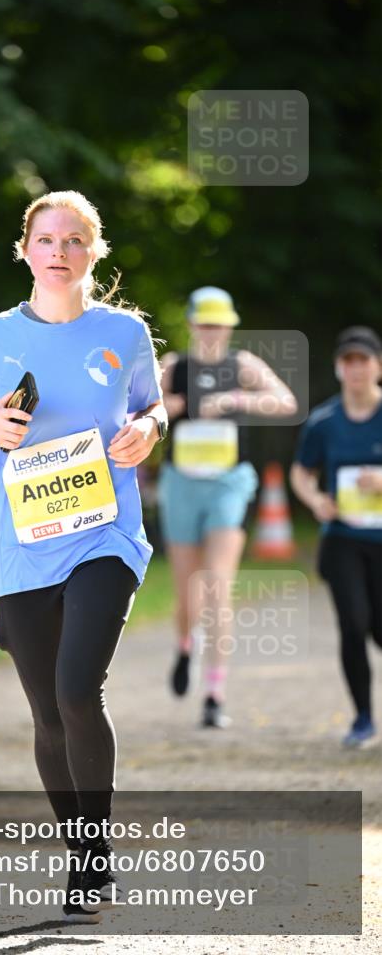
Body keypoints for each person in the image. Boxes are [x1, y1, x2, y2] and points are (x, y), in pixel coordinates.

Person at [0, 190, 167, 921]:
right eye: (46, 239)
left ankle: (92, 862)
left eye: (74, 240)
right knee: (47, 714)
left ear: (94, 252)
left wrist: (149, 429)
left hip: (105, 531)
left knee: (78, 692)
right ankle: (80, 847)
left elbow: (150, 406)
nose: (60, 252)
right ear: (24, 250)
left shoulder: (125, 332)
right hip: (25, 542)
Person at [158, 287, 297, 728]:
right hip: (182, 484)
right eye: (205, 324)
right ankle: (185, 646)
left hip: (228, 483)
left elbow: (286, 401)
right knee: (188, 593)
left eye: (219, 325)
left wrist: (237, 399)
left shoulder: (243, 366)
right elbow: (138, 412)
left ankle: (214, 693)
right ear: (192, 324)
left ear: (230, 327)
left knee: (218, 585)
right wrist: (170, 407)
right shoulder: (174, 367)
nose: (212, 332)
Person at [290, 326, 382, 748]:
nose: (356, 369)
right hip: (342, 539)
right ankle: (363, 718)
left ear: (377, 366)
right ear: (338, 368)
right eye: (349, 361)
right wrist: (315, 500)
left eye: (364, 360)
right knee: (353, 623)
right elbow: (300, 472)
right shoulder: (325, 421)